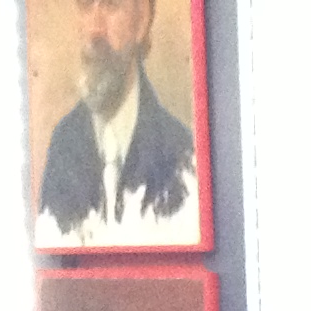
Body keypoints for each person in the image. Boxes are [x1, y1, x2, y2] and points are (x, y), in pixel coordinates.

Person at [33, 0, 195, 247]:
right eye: (86, 5)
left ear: (141, 21)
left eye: (111, 5)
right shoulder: (63, 145)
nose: (94, 29)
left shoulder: (180, 153)